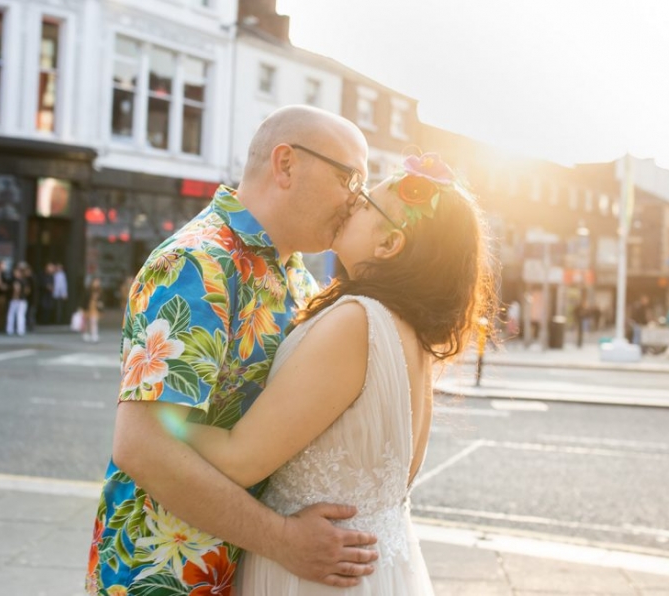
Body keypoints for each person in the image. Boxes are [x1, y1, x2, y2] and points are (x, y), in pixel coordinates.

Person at [87, 106, 378, 594]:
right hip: (165, 576)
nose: (357, 201)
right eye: (350, 179)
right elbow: (142, 445)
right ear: (286, 164)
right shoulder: (196, 264)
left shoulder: (300, 277)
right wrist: (284, 539)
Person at [178, 153, 493, 594]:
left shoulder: (357, 321)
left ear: (389, 245)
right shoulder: (410, 330)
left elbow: (238, 460)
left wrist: (160, 411)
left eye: (367, 203)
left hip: (318, 574)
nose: (352, 203)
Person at [5, 264, 30, 336]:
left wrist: (21, 294)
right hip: (13, 300)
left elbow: (27, 290)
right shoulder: (12, 280)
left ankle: (20, 330)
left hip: (21, 300)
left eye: (17, 272)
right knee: (11, 315)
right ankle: (10, 330)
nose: (16, 273)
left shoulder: (23, 281)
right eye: (15, 272)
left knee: (20, 315)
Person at [81, 277, 104, 343]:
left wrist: (101, 305)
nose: (97, 283)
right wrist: (82, 308)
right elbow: (84, 299)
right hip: (88, 308)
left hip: (95, 308)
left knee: (94, 321)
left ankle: (94, 335)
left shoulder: (100, 290)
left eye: (98, 282)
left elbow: (102, 299)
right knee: (87, 322)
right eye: (96, 282)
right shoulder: (88, 290)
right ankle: (86, 333)